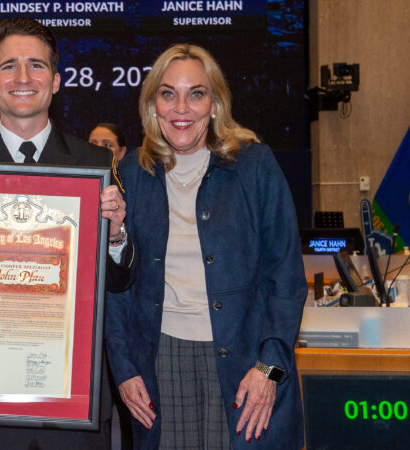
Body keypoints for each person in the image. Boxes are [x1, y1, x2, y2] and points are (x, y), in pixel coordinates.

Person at [0, 17, 135, 450]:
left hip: (75, 397)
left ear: (55, 81)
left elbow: (122, 281)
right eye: (8, 66)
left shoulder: (95, 165)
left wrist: (115, 235)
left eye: (35, 66)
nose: (22, 78)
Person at [104, 43, 306, 449]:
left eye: (196, 93)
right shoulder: (130, 172)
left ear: (214, 104)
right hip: (160, 362)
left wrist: (270, 370)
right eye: (168, 93)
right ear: (152, 105)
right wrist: (124, 371)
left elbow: (287, 280)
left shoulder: (255, 166)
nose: (181, 107)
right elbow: (115, 288)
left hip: (249, 363)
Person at [89, 122, 130, 195]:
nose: (99, 149)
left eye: (107, 145)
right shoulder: (76, 181)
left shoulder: (131, 188)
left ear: (122, 152)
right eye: (93, 145)